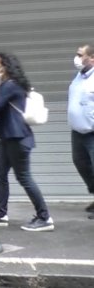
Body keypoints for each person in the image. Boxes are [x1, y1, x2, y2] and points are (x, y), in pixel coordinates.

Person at [0, 52, 54, 231]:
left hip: (17, 138)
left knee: (24, 177)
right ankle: (0, 214)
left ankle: (45, 217)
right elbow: (2, 107)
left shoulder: (9, 85)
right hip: (7, 138)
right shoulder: (9, 85)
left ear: (4, 67)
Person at [68, 44, 94, 219]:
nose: (76, 58)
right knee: (81, 163)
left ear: (91, 58)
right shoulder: (79, 77)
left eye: (80, 55)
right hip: (77, 131)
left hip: (92, 132)